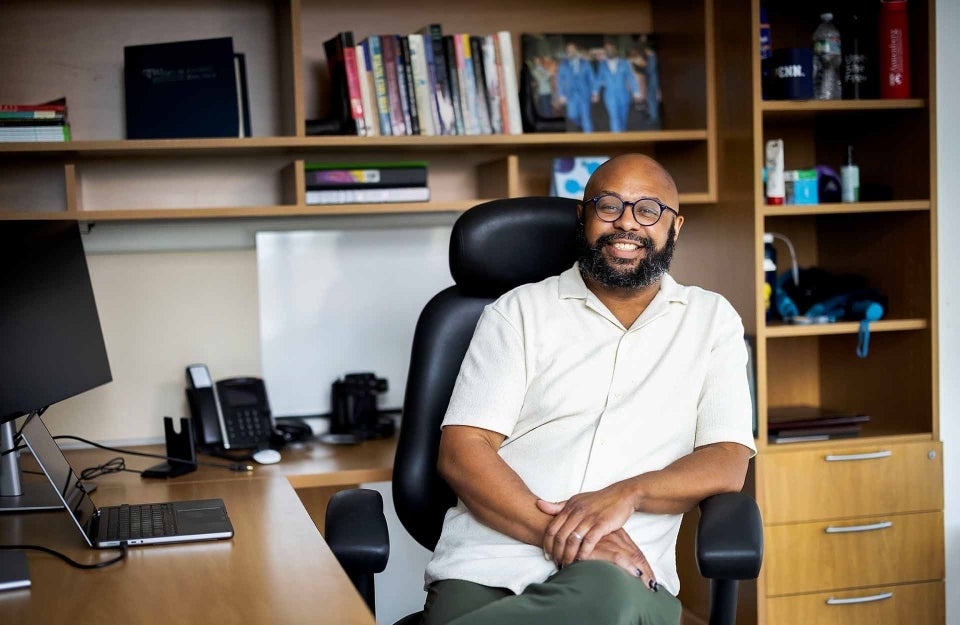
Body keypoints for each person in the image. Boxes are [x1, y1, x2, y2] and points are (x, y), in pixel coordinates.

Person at [420, 154, 757, 625]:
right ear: (582, 216)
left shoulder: (711, 320)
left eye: (648, 210)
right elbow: (462, 452)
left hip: (621, 577)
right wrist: (578, 539)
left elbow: (727, 459)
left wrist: (629, 494)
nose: (627, 224)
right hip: (487, 565)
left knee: (606, 601)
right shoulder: (517, 312)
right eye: (609, 206)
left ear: (674, 226)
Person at [595, 41, 642, 131]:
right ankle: (616, 138)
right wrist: (595, 92)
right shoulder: (602, 65)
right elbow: (598, 79)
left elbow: (630, 77)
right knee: (614, 118)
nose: (609, 51)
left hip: (623, 95)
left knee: (623, 118)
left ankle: (622, 135)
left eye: (611, 49)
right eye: (607, 50)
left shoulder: (624, 63)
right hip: (610, 96)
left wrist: (636, 92)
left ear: (615, 50)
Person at [556, 41, 598, 132]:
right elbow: (560, 81)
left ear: (576, 51)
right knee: (572, 115)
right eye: (569, 50)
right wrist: (561, 95)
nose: (571, 51)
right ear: (567, 52)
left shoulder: (585, 63)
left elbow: (592, 78)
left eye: (573, 49)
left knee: (586, 117)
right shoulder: (563, 65)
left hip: (584, 94)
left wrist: (595, 92)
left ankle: (590, 138)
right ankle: (580, 124)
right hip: (570, 96)